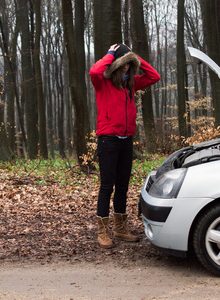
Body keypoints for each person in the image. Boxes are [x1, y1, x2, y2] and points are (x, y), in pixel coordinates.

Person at [89, 44, 160, 248]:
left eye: (130, 64)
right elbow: (94, 70)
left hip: (126, 141)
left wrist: (135, 56)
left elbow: (154, 76)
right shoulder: (102, 83)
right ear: (116, 64)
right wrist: (111, 54)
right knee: (106, 187)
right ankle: (102, 230)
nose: (127, 68)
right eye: (124, 63)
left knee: (122, 186)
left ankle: (120, 229)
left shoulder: (131, 85)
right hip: (108, 140)